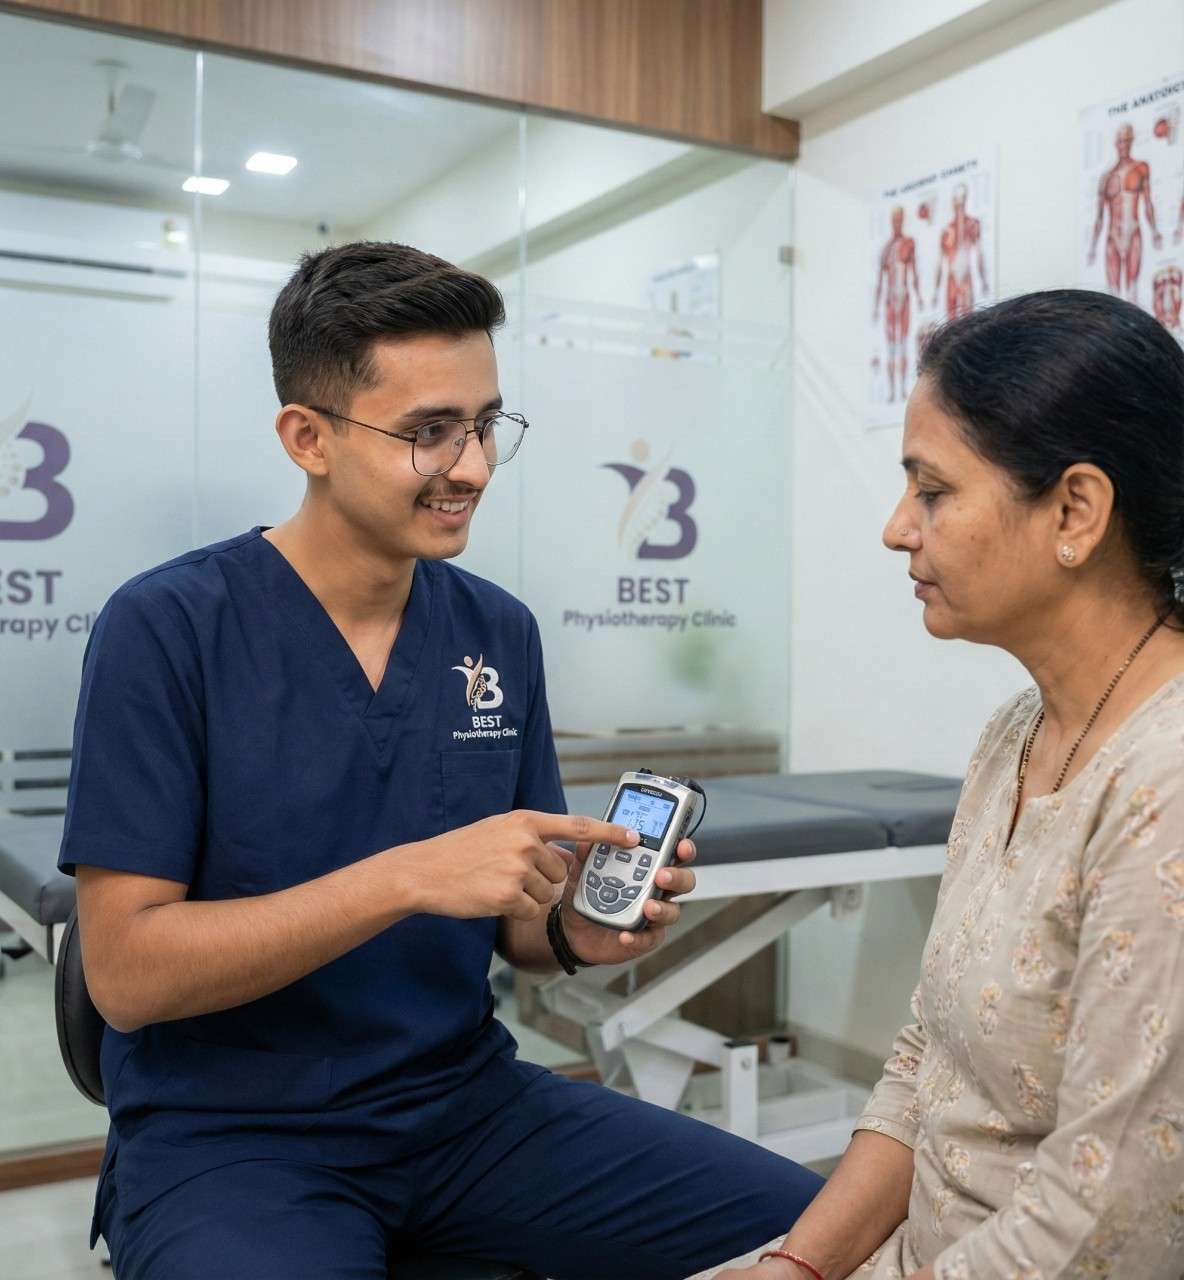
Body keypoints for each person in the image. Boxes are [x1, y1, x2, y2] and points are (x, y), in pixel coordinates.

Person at [60, 242, 822, 1280]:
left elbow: (520, 925)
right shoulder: (169, 627)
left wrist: (577, 928)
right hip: (234, 1139)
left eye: (484, 424)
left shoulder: (496, 631)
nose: (471, 466)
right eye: (428, 432)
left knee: (823, 1236)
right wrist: (405, 876)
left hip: (467, 1110)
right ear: (307, 437)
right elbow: (124, 975)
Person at [705, 289, 1184, 1280]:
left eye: (931, 491)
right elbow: (926, 1062)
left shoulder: (1164, 783)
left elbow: (1108, 1225)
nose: (896, 528)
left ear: (1074, 510)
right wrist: (797, 1264)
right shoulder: (1013, 734)